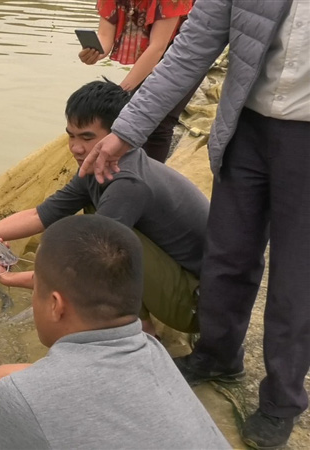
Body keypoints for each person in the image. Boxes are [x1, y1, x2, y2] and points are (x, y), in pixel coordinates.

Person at [79, 0, 309, 448]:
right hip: (245, 126)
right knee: (227, 254)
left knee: (296, 275)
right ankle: (217, 355)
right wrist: (125, 131)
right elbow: (189, 51)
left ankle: (281, 400)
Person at [0, 214, 230, 450]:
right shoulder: (150, 350)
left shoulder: (13, 404)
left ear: (56, 305)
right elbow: (38, 378)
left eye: (37, 288)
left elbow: (15, 400)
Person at [0, 79, 209, 337]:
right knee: (96, 228)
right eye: (71, 136)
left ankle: (140, 338)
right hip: (178, 282)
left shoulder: (127, 183)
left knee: (104, 252)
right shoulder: (97, 167)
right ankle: (141, 324)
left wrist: (10, 278)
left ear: (120, 134)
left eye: (87, 137)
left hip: (199, 305)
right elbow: (39, 215)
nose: (76, 148)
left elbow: (87, 268)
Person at [79, 0, 197, 162]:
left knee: (161, 121)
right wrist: (95, 52)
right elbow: (105, 36)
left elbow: (157, 47)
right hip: (153, 50)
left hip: (189, 49)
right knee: (132, 113)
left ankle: (149, 180)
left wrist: (122, 92)